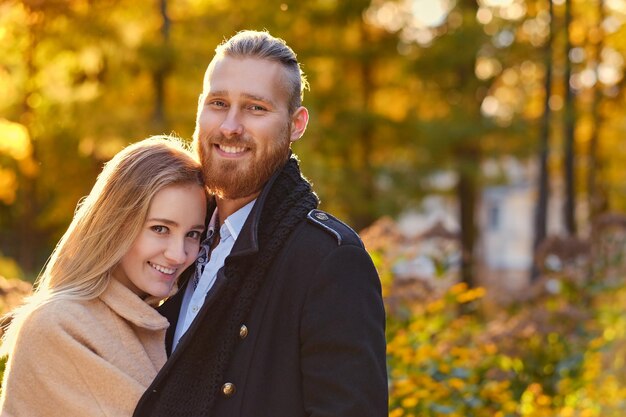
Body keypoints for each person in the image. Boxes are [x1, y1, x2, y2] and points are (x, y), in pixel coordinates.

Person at [133, 30, 388, 417]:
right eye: (219, 103)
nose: (231, 126)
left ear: (297, 124)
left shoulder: (329, 261)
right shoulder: (179, 246)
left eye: (255, 108)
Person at [0, 136, 208, 417]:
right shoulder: (57, 326)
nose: (178, 255)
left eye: (192, 234)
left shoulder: (167, 321)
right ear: (118, 225)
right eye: (160, 229)